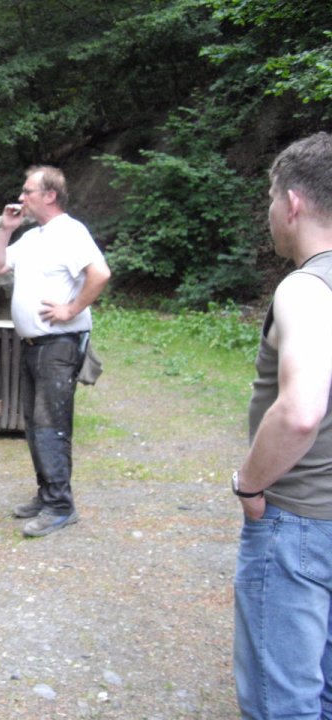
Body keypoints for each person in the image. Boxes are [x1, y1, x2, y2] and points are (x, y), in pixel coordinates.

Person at [233, 132, 332, 718]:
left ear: (292, 203)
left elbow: (299, 412)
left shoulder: (307, 289)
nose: (269, 211)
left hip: (301, 523)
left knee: (284, 701)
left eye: (271, 198)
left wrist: (249, 483)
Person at [0, 165, 111, 537]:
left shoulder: (70, 232)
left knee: (50, 425)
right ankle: (47, 495)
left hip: (59, 345)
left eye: (28, 191)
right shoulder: (32, 237)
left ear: (50, 196)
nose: (21, 198)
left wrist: (70, 309)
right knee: (35, 422)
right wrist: (5, 230)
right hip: (32, 344)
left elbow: (100, 274)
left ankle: (60, 506)